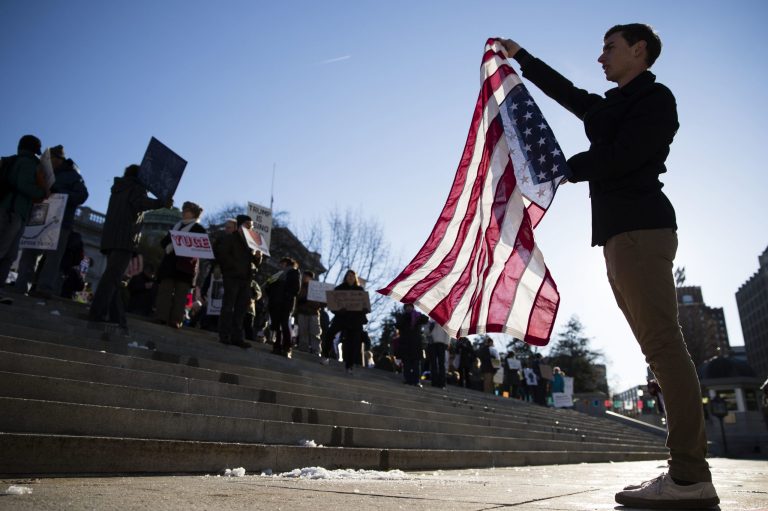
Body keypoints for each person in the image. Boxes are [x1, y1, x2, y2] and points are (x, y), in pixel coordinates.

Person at [498, 23, 718, 509]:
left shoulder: (655, 100)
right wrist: (522, 57)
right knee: (657, 350)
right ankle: (685, 471)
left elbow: (624, 155)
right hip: (619, 235)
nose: (601, 57)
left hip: (642, 229)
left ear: (639, 50)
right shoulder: (612, 105)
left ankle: (689, 476)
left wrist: (566, 168)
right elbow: (571, 95)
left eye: (610, 48)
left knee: (664, 346)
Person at [88, 164, 170, 329]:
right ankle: (97, 312)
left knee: (113, 277)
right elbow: (142, 203)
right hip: (124, 239)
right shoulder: (136, 188)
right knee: (112, 278)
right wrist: (162, 202)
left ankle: (117, 317)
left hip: (111, 238)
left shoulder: (119, 188)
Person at [13, 145, 89, 298]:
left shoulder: (73, 175)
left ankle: (44, 288)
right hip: (39, 218)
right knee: (29, 253)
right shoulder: (42, 172)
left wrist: (59, 193)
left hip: (61, 222)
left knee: (53, 258)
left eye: (51, 159)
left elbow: (82, 195)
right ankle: (21, 285)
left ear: (59, 159)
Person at [0, 135, 49, 304]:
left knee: (9, 254)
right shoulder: (28, 163)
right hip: (12, 211)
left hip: (15, 212)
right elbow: (25, 185)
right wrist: (43, 192)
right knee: (4, 251)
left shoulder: (14, 161)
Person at [154, 201, 206, 328]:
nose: (183, 213)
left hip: (186, 267)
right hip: (170, 265)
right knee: (165, 291)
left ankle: (176, 320)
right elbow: (163, 242)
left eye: (186, 211)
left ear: (193, 214)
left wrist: (181, 245)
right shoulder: (176, 226)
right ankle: (161, 316)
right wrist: (169, 245)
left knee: (181, 295)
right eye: (183, 210)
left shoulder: (199, 229)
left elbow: (201, 248)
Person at [215, 214, 262, 348]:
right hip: (232, 277)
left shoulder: (251, 243)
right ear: (240, 226)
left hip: (246, 280)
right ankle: (224, 335)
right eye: (248, 226)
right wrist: (233, 267)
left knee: (241, 309)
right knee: (228, 306)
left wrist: (258, 257)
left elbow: (255, 264)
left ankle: (237, 337)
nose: (250, 228)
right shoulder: (230, 239)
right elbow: (222, 255)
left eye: (251, 226)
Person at [331, 269, 368, 374]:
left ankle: (350, 365)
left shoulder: (360, 290)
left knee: (354, 344)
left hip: (356, 321)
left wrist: (361, 309)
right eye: (348, 275)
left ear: (355, 278)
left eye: (352, 276)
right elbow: (333, 305)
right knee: (343, 342)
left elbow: (365, 307)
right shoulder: (339, 289)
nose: (350, 277)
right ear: (345, 277)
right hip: (343, 320)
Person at [265, 257, 301, 357]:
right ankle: (276, 346)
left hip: (285, 303)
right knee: (276, 325)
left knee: (284, 324)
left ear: (287, 264)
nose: (280, 265)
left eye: (282, 263)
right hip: (275, 302)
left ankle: (287, 347)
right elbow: (269, 287)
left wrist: (286, 295)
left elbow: (295, 289)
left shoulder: (294, 272)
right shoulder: (277, 275)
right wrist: (269, 287)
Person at [395, 303, 427, 385]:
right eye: (407, 307)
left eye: (410, 306)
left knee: (416, 363)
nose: (409, 308)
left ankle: (416, 381)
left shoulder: (418, 316)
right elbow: (398, 325)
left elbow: (425, 319)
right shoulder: (402, 317)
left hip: (416, 344)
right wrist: (406, 317)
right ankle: (407, 379)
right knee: (406, 363)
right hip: (405, 344)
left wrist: (417, 315)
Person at [294, 270, 323, 354]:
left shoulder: (317, 288)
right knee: (303, 332)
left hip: (314, 313)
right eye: (303, 276)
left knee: (315, 332)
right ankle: (303, 349)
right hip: (302, 312)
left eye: (306, 276)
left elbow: (322, 302)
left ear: (311, 278)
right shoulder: (299, 286)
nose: (304, 278)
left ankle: (316, 350)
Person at [428, 320, 451, 388]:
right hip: (432, 343)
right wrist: (430, 328)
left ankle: (442, 383)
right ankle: (434, 382)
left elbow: (448, 332)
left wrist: (447, 343)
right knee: (433, 363)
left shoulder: (445, 321)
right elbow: (426, 332)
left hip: (442, 344)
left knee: (441, 363)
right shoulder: (431, 321)